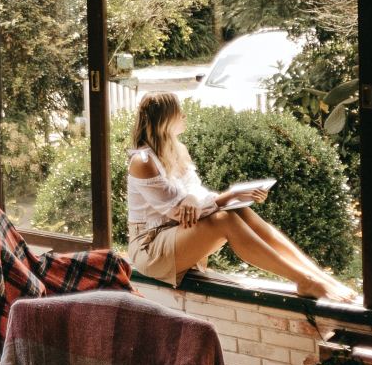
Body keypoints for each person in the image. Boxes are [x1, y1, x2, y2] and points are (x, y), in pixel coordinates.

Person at [126, 91, 356, 302]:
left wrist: (196, 199)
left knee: (239, 209)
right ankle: (304, 282)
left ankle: (315, 276)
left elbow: (195, 192)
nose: (184, 116)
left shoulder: (177, 149)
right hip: (150, 246)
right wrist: (227, 195)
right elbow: (176, 210)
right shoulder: (143, 162)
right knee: (225, 219)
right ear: (165, 120)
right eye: (179, 113)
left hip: (175, 232)